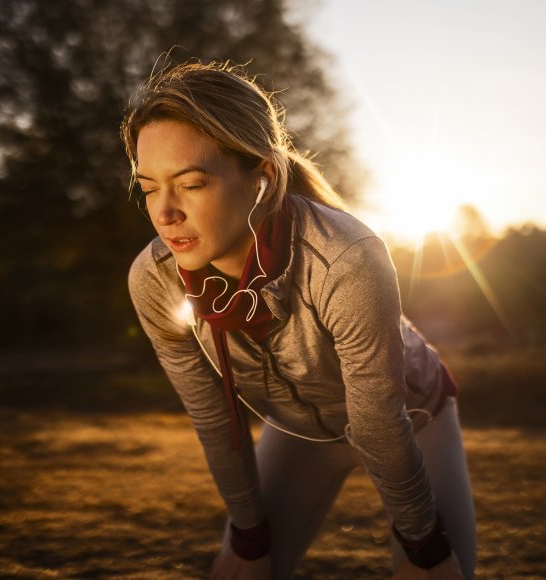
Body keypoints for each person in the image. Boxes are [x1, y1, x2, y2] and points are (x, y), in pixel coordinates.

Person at [123, 60, 477, 580]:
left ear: (263, 179)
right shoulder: (153, 279)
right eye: (149, 187)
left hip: (413, 417)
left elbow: (378, 420)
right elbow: (215, 420)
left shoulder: (348, 256)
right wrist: (249, 536)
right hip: (298, 432)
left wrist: (425, 546)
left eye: (191, 184)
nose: (164, 213)